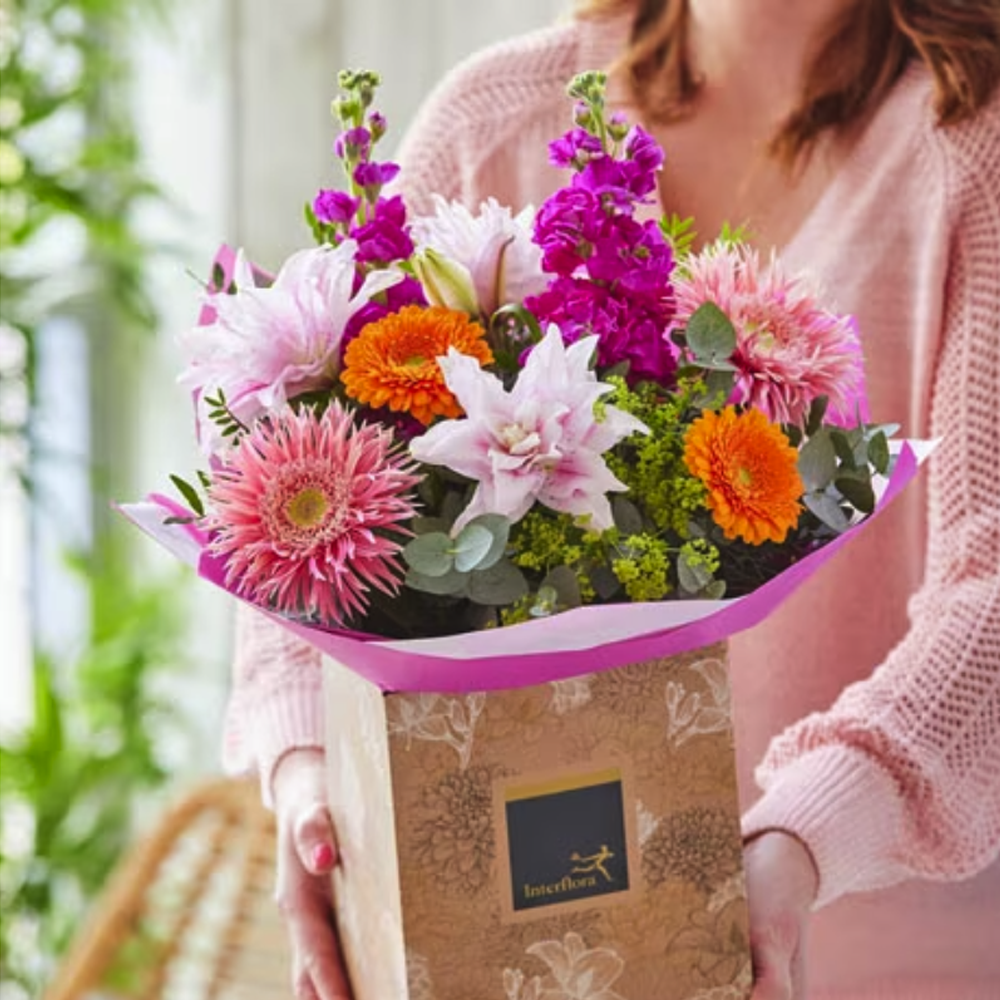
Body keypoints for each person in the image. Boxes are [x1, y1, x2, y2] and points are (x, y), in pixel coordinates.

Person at [222, 1, 1000, 997]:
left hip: (881, 961)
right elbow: (303, 478)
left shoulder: (969, 147)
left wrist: (805, 835)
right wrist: (308, 772)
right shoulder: (488, 124)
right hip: (529, 959)